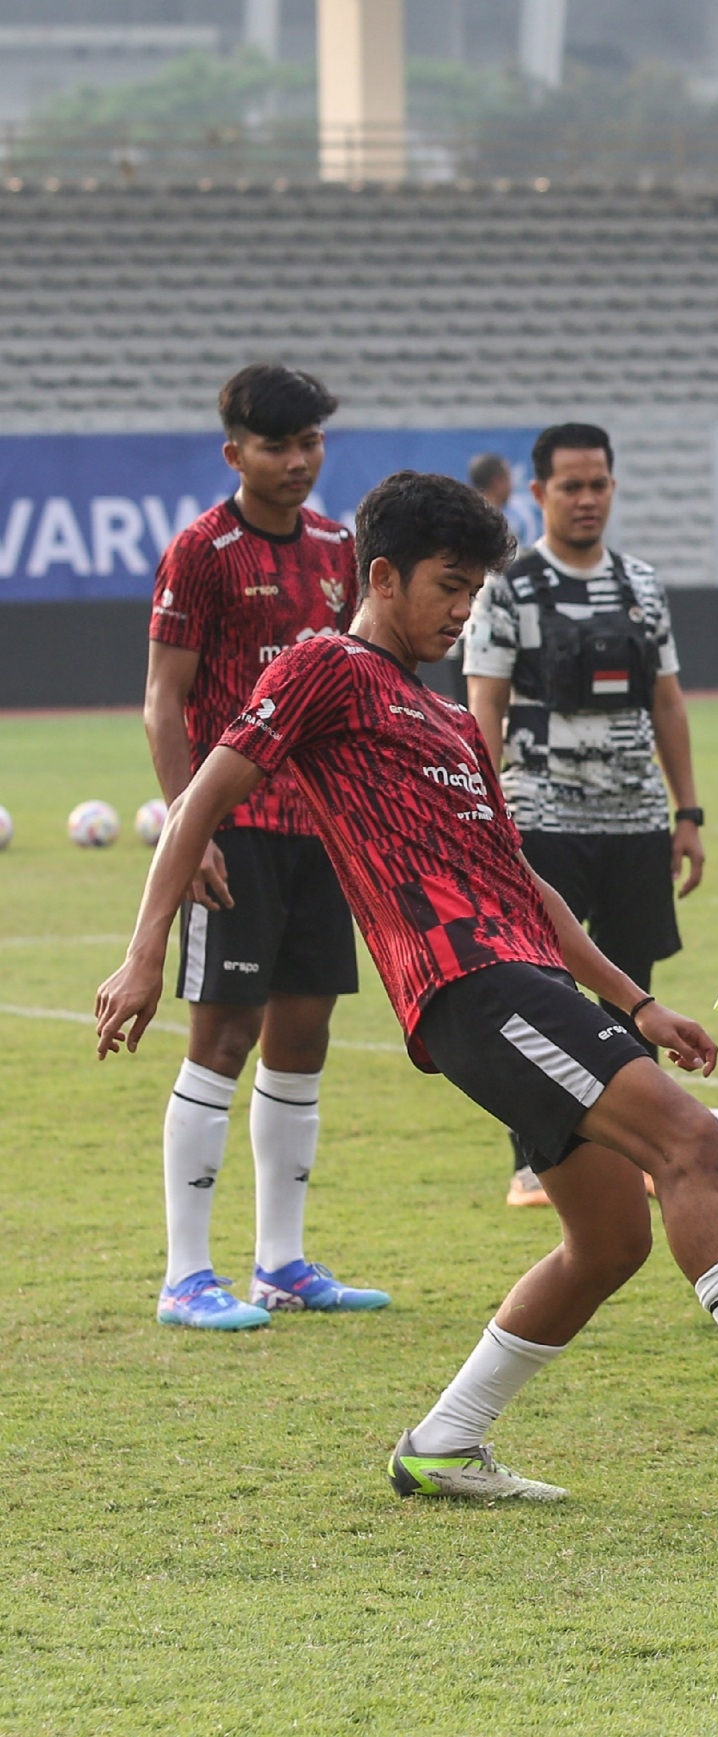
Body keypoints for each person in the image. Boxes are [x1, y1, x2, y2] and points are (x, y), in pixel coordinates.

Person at [98, 471, 718, 1500]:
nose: (463, 610)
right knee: (689, 1141)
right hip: (468, 984)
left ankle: (444, 1442)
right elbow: (202, 798)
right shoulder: (325, 667)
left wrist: (636, 1003)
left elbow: (521, 881)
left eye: (474, 591)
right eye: (448, 586)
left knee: (610, 1239)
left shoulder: (448, 720)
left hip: (522, 978)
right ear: (383, 577)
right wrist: (146, 950)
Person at [139, 362, 385, 1331]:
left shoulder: (339, 547)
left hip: (322, 828)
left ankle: (281, 1263)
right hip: (234, 826)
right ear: (234, 452)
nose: (297, 461)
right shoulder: (201, 551)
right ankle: (186, 1276)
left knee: (304, 1037)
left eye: (310, 442)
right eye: (277, 445)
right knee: (223, 1038)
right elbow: (164, 699)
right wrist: (187, 821)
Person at [463, 424, 705, 1209]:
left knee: (633, 989)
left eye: (598, 483)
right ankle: (533, 1163)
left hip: (634, 819)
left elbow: (667, 701)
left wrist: (687, 811)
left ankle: (646, 1153)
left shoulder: (641, 584)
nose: (587, 498)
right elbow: (484, 704)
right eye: (571, 485)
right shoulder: (506, 586)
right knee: (539, 991)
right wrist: (487, 815)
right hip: (539, 819)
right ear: (539, 493)